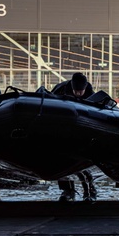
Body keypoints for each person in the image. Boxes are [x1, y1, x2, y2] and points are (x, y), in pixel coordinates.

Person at [51, 73, 98, 202]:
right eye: (76, 91)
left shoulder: (90, 93)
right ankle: (68, 190)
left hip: (80, 128)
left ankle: (90, 189)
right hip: (62, 127)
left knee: (83, 161)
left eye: (80, 91)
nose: (78, 94)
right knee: (62, 160)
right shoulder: (60, 90)